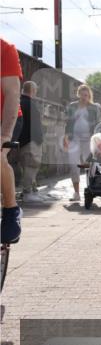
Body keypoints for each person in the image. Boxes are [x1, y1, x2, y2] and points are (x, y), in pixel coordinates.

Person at [63, 84, 101, 202]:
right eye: (82, 94)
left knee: (90, 166)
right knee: (73, 165)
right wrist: (66, 138)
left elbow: (98, 124)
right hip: (74, 139)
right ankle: (76, 193)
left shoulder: (94, 108)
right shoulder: (72, 106)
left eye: (87, 95)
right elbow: (68, 123)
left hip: (89, 140)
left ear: (89, 95)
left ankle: (91, 190)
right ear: (78, 94)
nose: (84, 97)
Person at [1, 38, 23, 245]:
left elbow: (12, 93)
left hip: (5, 117)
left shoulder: (4, 49)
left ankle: (10, 209)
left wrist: (4, 136)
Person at [14, 81, 44, 203]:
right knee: (31, 166)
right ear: (33, 90)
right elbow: (35, 125)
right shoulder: (30, 104)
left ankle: (31, 191)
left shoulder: (20, 102)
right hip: (32, 141)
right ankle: (28, 193)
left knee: (27, 167)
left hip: (23, 141)